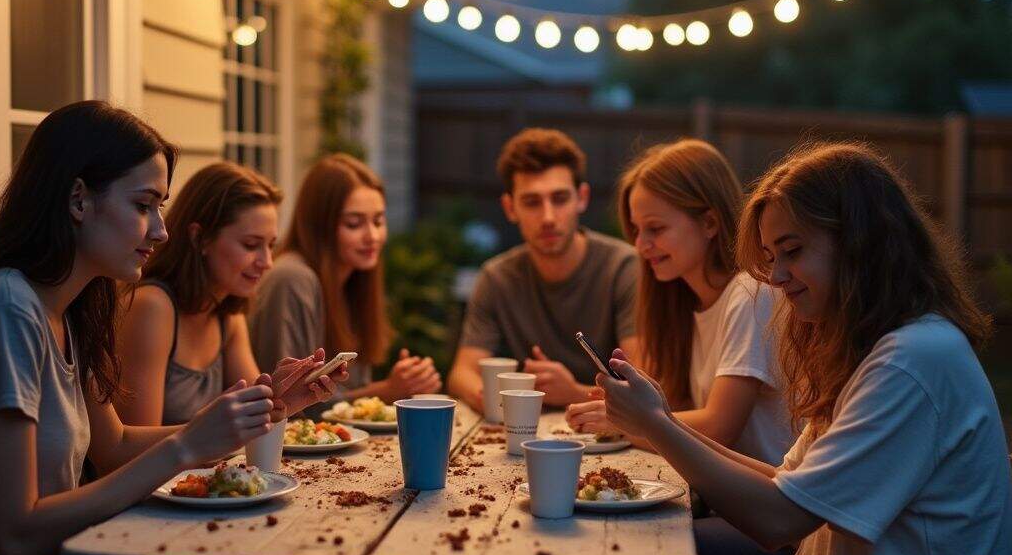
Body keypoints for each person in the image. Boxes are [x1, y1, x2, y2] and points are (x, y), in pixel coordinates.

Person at [0, 101, 373, 555]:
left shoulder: (68, 311)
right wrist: (187, 446)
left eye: (162, 207)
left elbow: (117, 446)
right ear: (78, 200)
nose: (162, 230)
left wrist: (271, 410)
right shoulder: (3, 311)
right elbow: (15, 540)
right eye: (144, 205)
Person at [575, 142, 1012, 555]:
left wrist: (653, 424)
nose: (776, 276)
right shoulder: (875, 347)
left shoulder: (912, 361)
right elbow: (788, 483)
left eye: (793, 251)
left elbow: (778, 521)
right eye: (771, 257)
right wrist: (661, 420)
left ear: (859, 243)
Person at [564, 140, 797, 555]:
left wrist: (623, 422)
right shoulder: (692, 304)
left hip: (776, 520)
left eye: (655, 228)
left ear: (709, 222)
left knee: (605, 546)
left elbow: (718, 425)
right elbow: (678, 409)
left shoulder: (751, 295)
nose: (641, 245)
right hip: (723, 501)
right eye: (635, 230)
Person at [115, 161, 330, 427]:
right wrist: (215, 430)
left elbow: (257, 421)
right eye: (251, 245)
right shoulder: (152, 306)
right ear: (200, 238)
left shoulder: (226, 313)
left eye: (271, 245)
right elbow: (132, 449)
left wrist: (284, 397)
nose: (267, 262)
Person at [447, 128, 639, 412]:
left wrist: (573, 391)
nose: (548, 217)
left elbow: (643, 389)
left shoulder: (624, 268)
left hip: (609, 435)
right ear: (510, 208)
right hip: (524, 431)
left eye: (560, 199)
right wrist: (496, 397)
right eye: (532, 202)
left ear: (581, 198)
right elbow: (461, 374)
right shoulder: (496, 277)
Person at [249, 153, 442, 407]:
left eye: (378, 221)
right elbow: (287, 404)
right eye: (354, 224)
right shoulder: (292, 278)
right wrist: (385, 392)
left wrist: (406, 382)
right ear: (320, 226)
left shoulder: (354, 278)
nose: (372, 236)